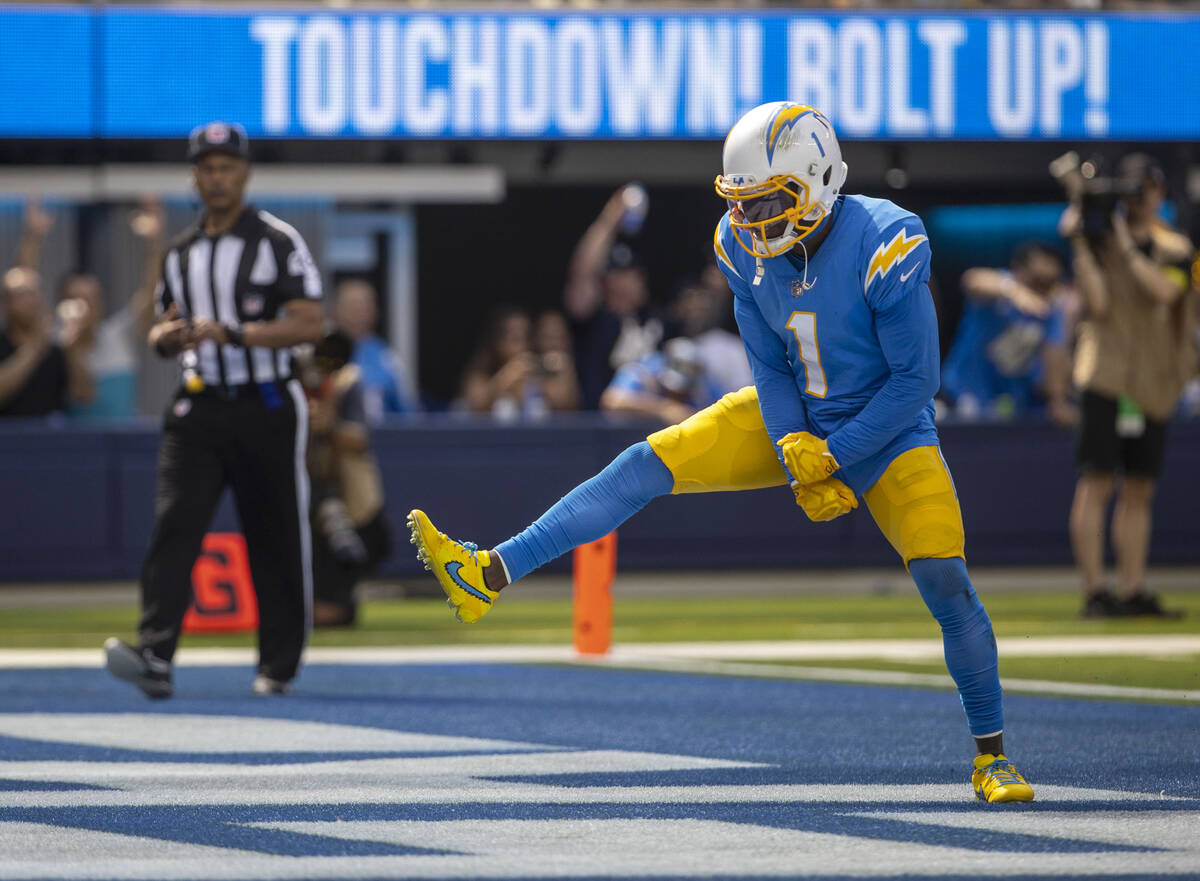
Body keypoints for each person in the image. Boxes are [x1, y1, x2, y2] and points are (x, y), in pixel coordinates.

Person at [408, 102, 1034, 805]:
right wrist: (796, 438)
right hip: (794, 411)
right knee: (646, 463)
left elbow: (917, 382)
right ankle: (488, 570)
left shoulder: (886, 239)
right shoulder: (739, 246)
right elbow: (767, 363)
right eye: (743, 201)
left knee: (945, 579)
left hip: (887, 430)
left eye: (770, 198)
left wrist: (834, 454)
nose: (752, 217)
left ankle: (992, 756)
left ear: (818, 178)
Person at [103, 121, 324, 698]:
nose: (218, 178)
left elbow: (311, 323)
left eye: (227, 167)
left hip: (267, 401)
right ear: (194, 178)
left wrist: (233, 333)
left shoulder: (278, 241)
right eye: (207, 168)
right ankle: (155, 656)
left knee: (274, 533)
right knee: (176, 524)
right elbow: (157, 327)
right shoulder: (180, 255)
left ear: (245, 174)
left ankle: (277, 663)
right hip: (198, 405)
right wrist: (166, 340)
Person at [1060, 154, 1196, 618]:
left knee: (1140, 487)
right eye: (1131, 191)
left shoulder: (1175, 247)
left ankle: (1133, 588)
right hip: (1105, 375)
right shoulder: (1098, 242)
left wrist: (1121, 241)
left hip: (1152, 381)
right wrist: (1081, 241)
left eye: (1146, 189)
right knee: (1096, 481)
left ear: (1159, 192)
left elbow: (1163, 291)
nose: (1139, 200)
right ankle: (1096, 591)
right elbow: (1096, 304)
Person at [300, 331, 390, 628]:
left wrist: (329, 424)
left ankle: (328, 606)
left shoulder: (347, 382)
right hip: (307, 502)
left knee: (343, 558)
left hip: (352, 505)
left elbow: (359, 437)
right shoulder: (291, 383)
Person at [941, 242, 1075, 425]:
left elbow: (1055, 353)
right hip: (964, 393)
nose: (1042, 291)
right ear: (1018, 269)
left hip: (1013, 399)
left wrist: (1057, 401)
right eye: (1036, 281)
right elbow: (972, 279)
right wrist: (1015, 292)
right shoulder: (1001, 285)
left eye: (1050, 282)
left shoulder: (1052, 309)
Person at [565, 186, 669, 408]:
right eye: (630, 274)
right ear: (611, 281)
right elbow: (582, 273)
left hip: (654, 425)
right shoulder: (596, 318)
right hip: (601, 427)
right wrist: (610, 219)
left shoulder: (653, 318)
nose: (639, 279)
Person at [0, 266, 92, 418]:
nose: (31, 301)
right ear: (6, 303)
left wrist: (73, 350)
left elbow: (84, 395)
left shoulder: (56, 346)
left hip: (49, 438)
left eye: (34, 293)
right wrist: (34, 348)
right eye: (22, 294)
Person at [460, 306, 577, 420]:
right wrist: (509, 374)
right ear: (497, 341)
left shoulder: (541, 369)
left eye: (527, 337)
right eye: (515, 338)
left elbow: (566, 403)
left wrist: (555, 375)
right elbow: (476, 405)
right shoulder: (482, 372)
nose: (523, 345)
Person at [332, 278, 417, 422]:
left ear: (375, 312)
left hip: (380, 440)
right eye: (351, 306)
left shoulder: (387, 357)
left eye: (364, 306)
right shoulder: (319, 351)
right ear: (334, 310)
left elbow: (408, 415)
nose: (357, 314)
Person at [600, 337, 723, 426]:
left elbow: (724, 413)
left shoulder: (704, 386)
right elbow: (612, 400)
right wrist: (664, 409)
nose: (677, 393)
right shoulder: (643, 371)